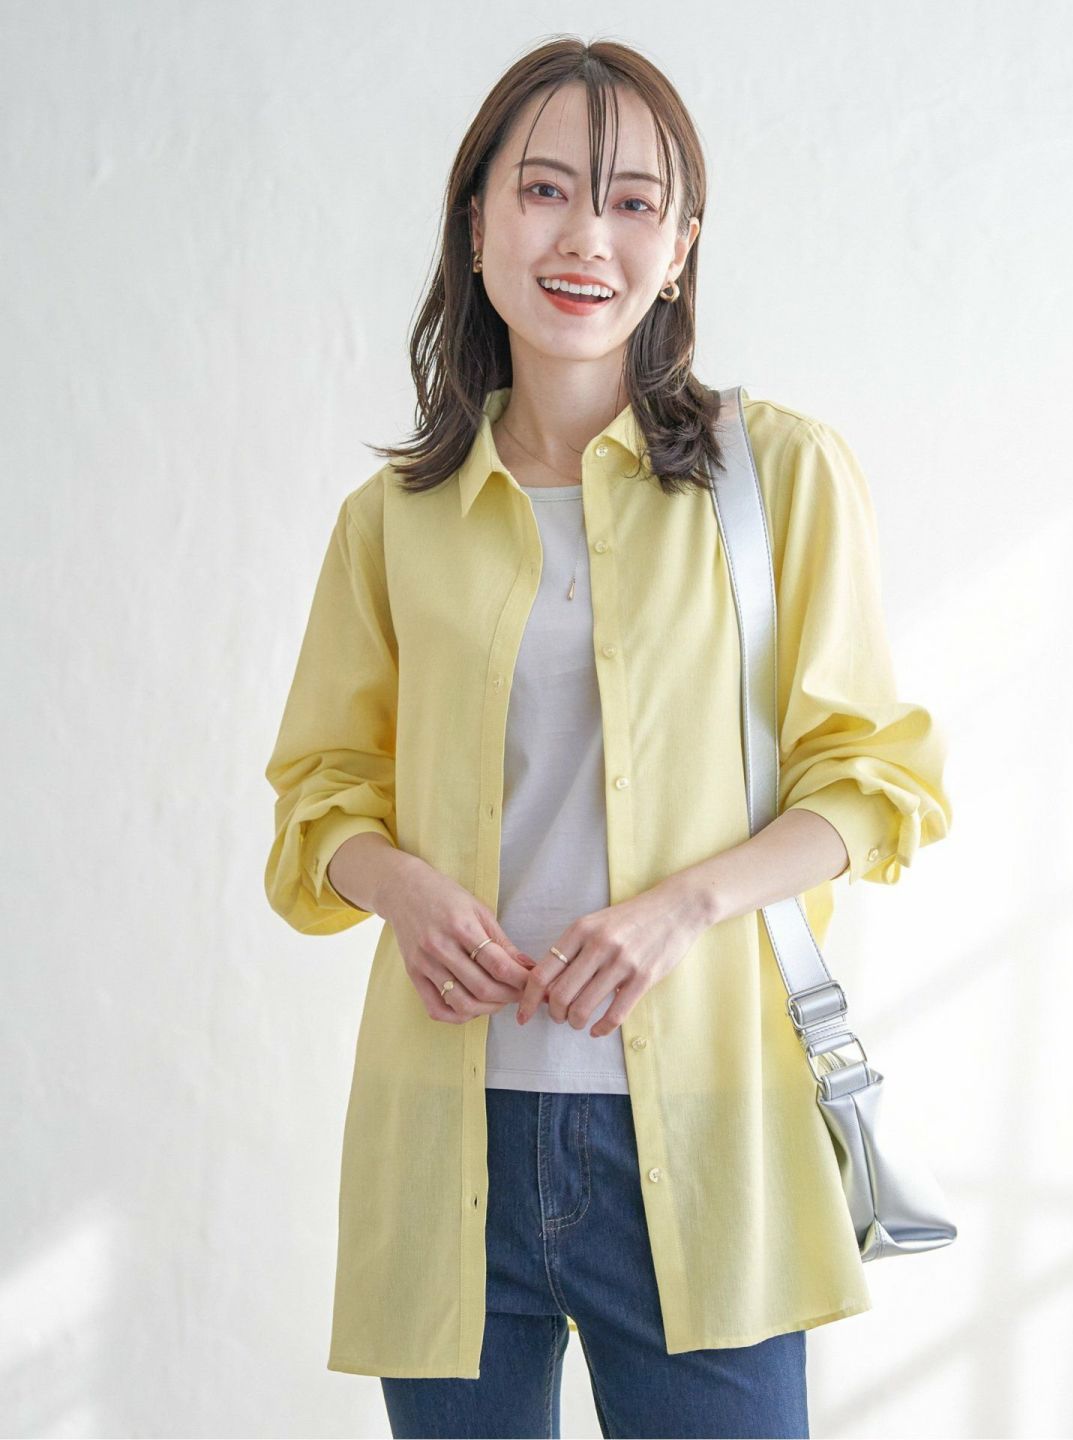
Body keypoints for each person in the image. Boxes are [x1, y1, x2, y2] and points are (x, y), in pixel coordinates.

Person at [263, 35, 952, 1440]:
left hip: (707, 1128)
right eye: (546, 190)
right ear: (476, 222)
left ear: (681, 248)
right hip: (446, 1131)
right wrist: (400, 887)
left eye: (635, 202)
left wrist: (681, 910)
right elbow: (319, 796)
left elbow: (876, 784)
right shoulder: (391, 523)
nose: (587, 236)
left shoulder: (780, 476)